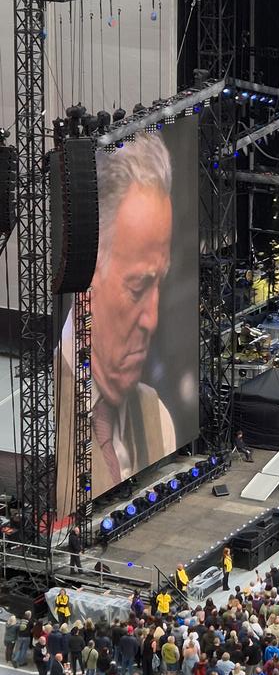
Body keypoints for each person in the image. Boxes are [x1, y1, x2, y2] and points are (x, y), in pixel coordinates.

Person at [56, 134, 177, 514]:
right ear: (88, 279)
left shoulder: (158, 417)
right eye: (139, 286)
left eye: (160, 283)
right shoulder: (42, 422)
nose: (152, 320)